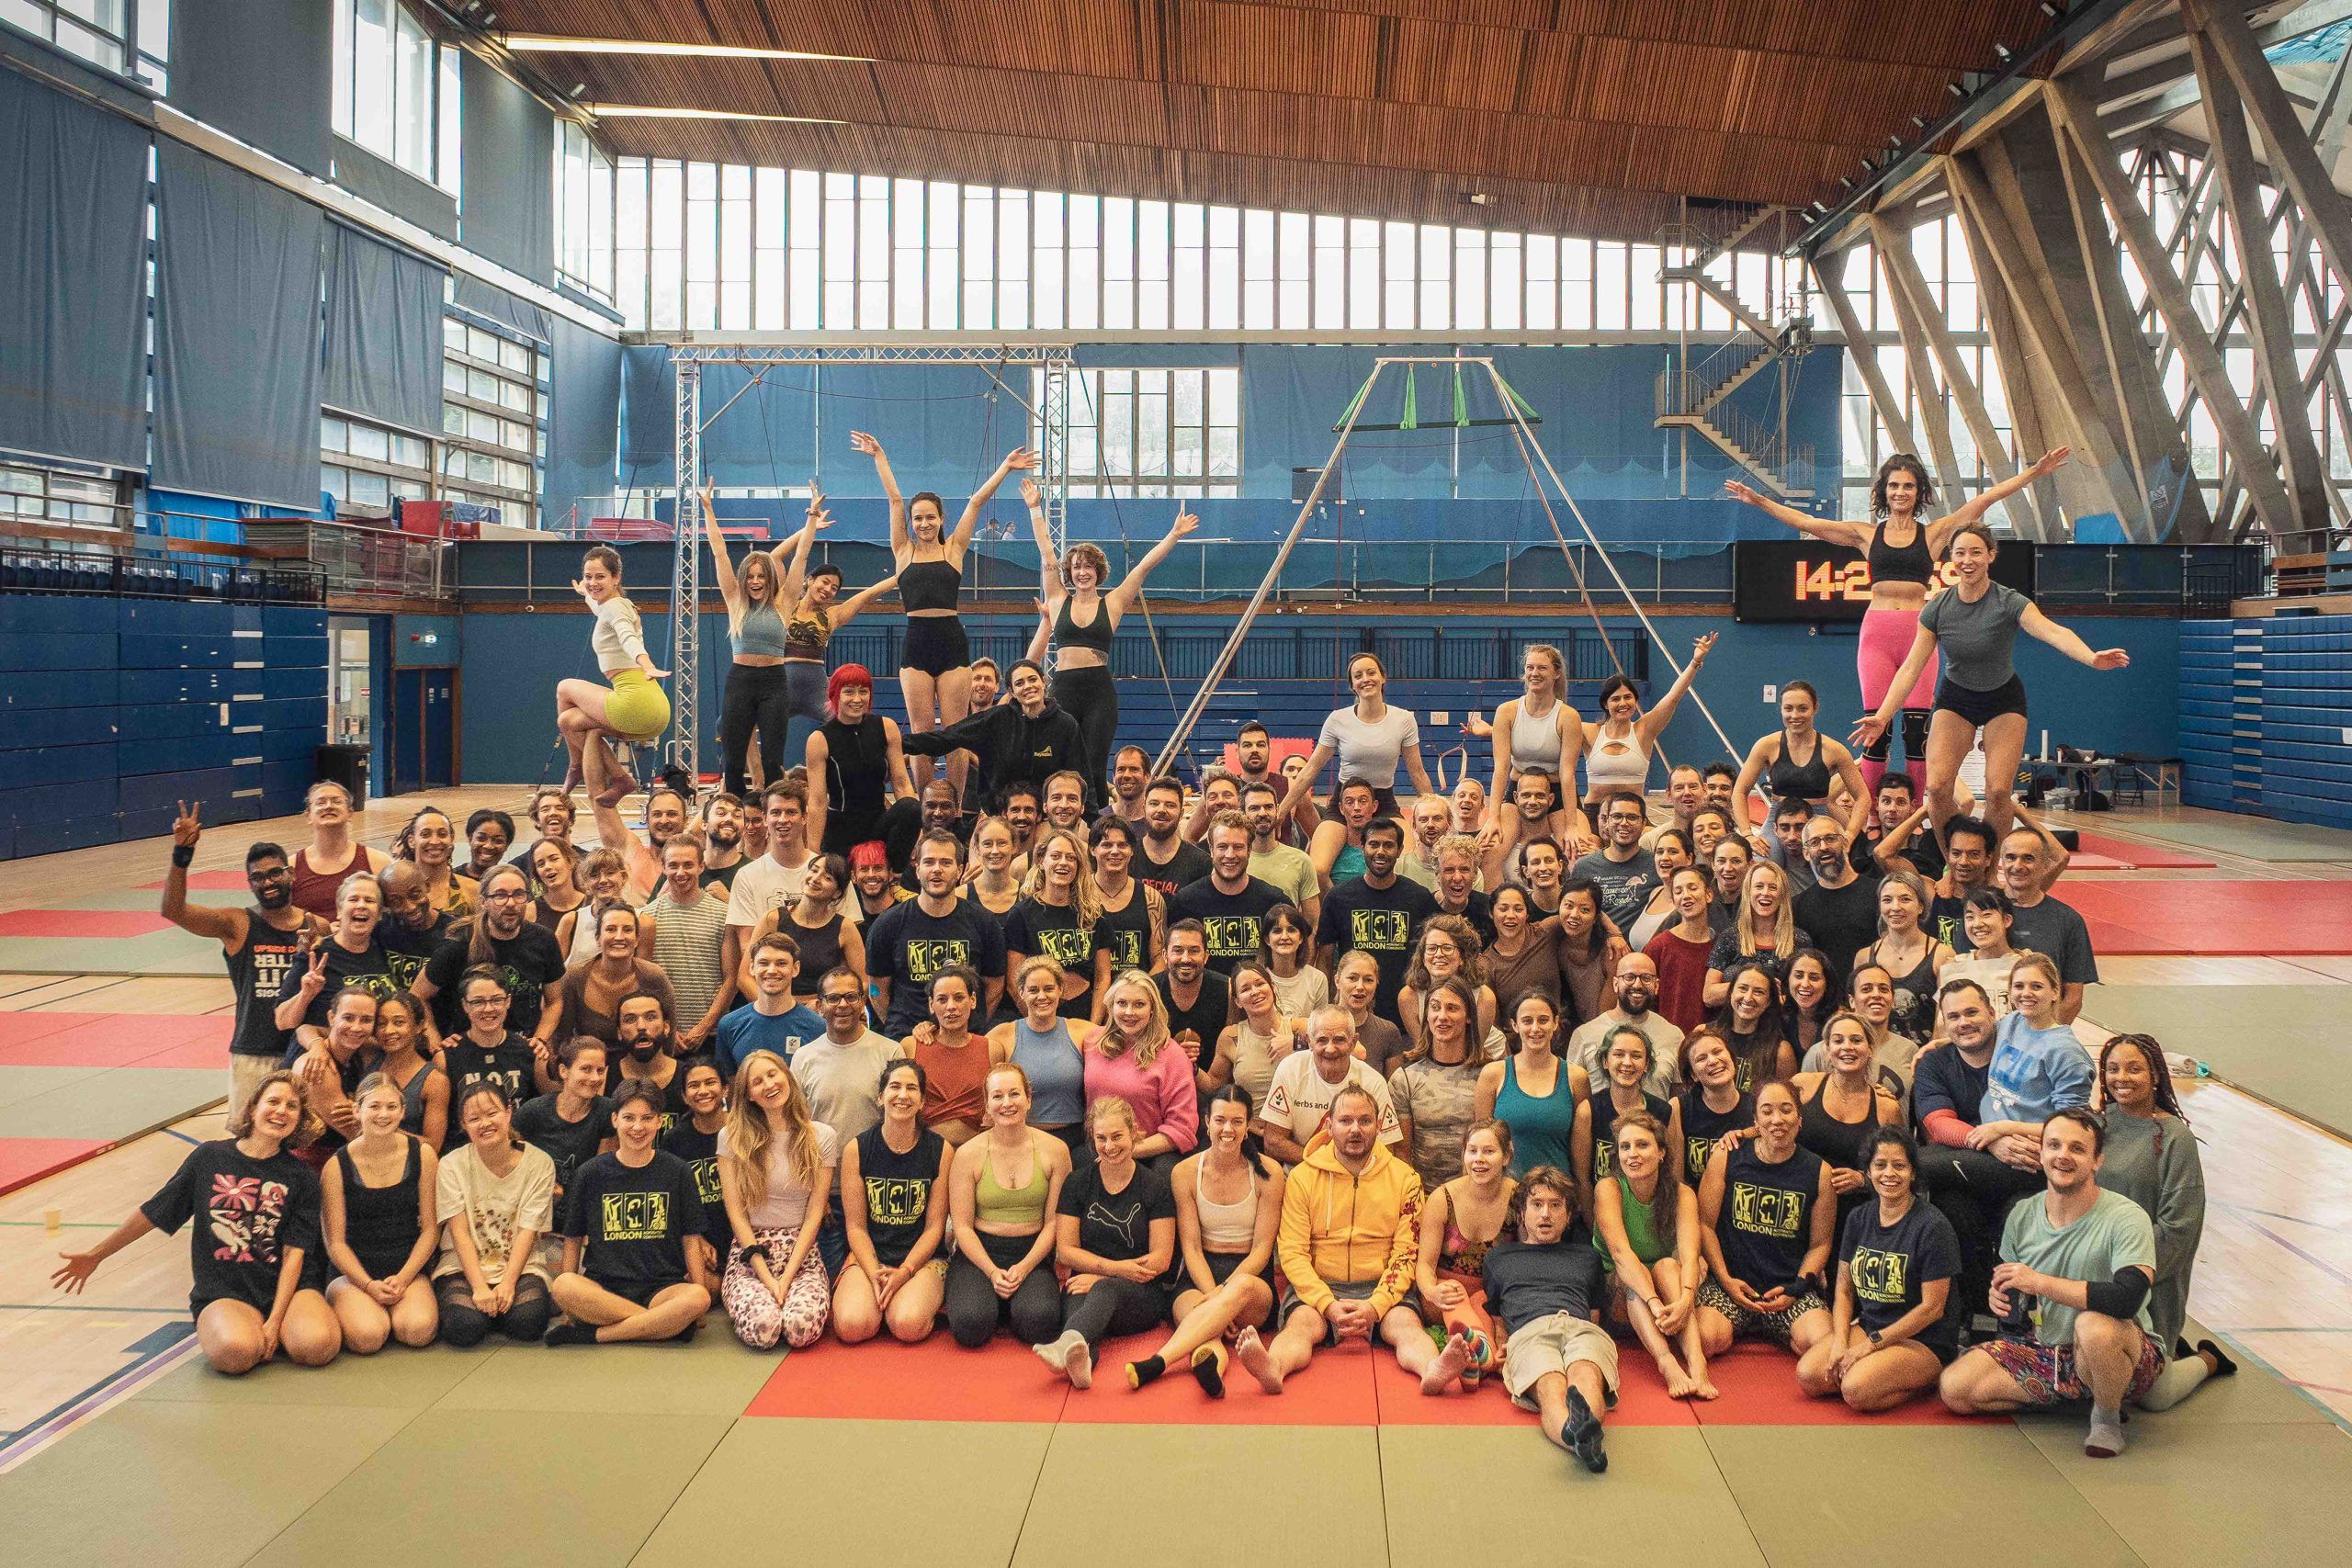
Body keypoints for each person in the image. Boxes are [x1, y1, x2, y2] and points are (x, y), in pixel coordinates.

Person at [1731, 452, 2061, 794]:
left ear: (1919, 493)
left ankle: (1914, 812)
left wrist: (2034, 473)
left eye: (1908, 486)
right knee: (1877, 732)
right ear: (1883, 491)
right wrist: (1758, 500)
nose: (1900, 492)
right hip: (1877, 635)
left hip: (1918, 635)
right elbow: (1806, 523)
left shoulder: (1934, 534)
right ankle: (1872, 815)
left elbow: (1985, 498)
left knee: (1917, 731)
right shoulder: (1866, 535)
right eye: (1893, 486)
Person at [1853, 516, 2128, 843]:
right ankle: (1951, 863)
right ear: (1950, 558)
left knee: (1997, 791)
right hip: (1956, 699)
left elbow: (2052, 631)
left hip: (2003, 700)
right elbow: (1911, 668)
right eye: (1960, 553)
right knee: (1938, 788)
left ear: (1991, 555)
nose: (1967, 561)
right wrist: (1882, 716)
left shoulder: (2009, 602)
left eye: (1976, 553)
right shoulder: (1937, 608)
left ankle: (1990, 867)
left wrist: (2091, 657)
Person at [52, 1071, 340, 1373]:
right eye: (273, 1102)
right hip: (227, 1289)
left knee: (316, 1347)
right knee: (236, 1354)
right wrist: (98, 1254)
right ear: (253, 1107)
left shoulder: (302, 1176)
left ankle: (283, 1329)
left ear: (299, 1119)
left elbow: (295, 1253)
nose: (281, 1111)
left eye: (292, 1106)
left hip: (288, 1289)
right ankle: (244, 1327)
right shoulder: (210, 1158)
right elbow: (155, 1211)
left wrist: (275, 1321)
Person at [1938, 1109, 2164, 1457]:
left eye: (2077, 1149)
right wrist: (1998, 1295)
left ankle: (2105, 1418)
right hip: (2045, 1348)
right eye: (2054, 1145)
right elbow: (2010, 1281)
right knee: (1955, 1389)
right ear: (2040, 1153)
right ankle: (2070, 1393)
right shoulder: (2023, 1214)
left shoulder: (2127, 1217)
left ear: (2097, 1160)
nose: (2063, 1156)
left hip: (2118, 1347)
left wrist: (2040, 1283)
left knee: (2093, 1327)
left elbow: (2126, 1300)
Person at [1232, 1084, 1441, 1393]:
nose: (1355, 1130)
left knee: (1406, 1327)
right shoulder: (1302, 1178)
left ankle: (1432, 1370)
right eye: (1345, 1121)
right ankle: (1273, 1368)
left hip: (1382, 1283)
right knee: (1301, 1326)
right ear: (1329, 1126)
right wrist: (1326, 1303)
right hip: (1319, 1285)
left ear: (1379, 1125)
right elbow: (1292, 1252)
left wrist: (1377, 1305)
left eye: (1365, 1121)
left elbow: (1406, 1254)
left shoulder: (1406, 1179)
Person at [855, 431, 1031, 794]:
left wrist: (1005, 467)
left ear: (940, 518)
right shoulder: (903, 551)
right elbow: (893, 499)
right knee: (921, 732)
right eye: (917, 518)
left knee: (956, 731)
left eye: (930, 517)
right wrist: (879, 457)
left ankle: (951, 805)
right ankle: (927, 805)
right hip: (916, 643)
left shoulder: (954, 550)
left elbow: (978, 502)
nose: (923, 524)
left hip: (951, 642)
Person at [1027, 490, 1196, 807]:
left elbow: (1143, 567)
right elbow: (1047, 554)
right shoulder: (1058, 598)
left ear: (1098, 571)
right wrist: (1035, 509)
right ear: (1070, 572)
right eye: (1076, 567)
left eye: (1088, 567)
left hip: (1098, 692)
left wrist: (1174, 534)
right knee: (1062, 761)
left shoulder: (1114, 602)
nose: (1082, 572)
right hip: (1064, 687)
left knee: (1093, 760)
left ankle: (1094, 822)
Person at [161, 804, 328, 1118]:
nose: (267, 882)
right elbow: (173, 910)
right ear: (249, 883)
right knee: (248, 1137)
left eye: (275, 873)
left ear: (290, 874)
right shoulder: (238, 924)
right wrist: (182, 853)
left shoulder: (317, 926)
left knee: (306, 1140)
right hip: (254, 1053)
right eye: (258, 877)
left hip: (306, 1051)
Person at [2095, 1032, 2233, 1409]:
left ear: (2156, 1075)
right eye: (2112, 1069)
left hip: (2147, 1278)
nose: (2121, 1077)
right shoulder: (2097, 1125)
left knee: (2152, 1399)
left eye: (2134, 1069)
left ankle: (2206, 1360)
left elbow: (2179, 1231)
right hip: (2089, 1273)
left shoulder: (2176, 1140)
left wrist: (2124, 1273)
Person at [1125, 1085, 1285, 1393]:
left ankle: (1158, 1362)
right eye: (1220, 1120)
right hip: (1200, 1276)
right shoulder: (1184, 1172)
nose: (1228, 1129)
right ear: (1206, 1121)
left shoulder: (1270, 1173)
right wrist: (1215, 1297)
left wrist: (1223, 1296)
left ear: (1248, 1125)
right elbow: (1192, 1248)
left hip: (1251, 1281)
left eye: (1237, 1122)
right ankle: (1210, 1367)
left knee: (1226, 1299)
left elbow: (1263, 1249)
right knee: (1203, 1330)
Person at [1794, 1124, 1962, 1411]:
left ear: (1912, 1173)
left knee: (1855, 1390)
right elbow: (1844, 1290)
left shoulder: (1933, 1226)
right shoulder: (1859, 1218)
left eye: (1899, 1166)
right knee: (1809, 1376)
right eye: (1880, 1165)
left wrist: (1870, 1346)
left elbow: (1933, 1308)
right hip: (1872, 1325)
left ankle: (1922, 1379)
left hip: (1922, 1339)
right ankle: (1879, 1373)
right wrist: (1839, 1342)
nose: (1889, 1174)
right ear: (1868, 1172)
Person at [546, 1081, 716, 1346]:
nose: (638, 1127)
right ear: (615, 1120)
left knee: (699, 1297)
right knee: (563, 1285)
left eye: (647, 1118)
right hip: (604, 1288)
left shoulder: (677, 1171)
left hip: (662, 1288)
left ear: (659, 1122)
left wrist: (698, 1292)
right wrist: (570, 1308)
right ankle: (662, 1325)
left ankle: (596, 1335)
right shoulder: (590, 1173)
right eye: (629, 1118)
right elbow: (573, 1238)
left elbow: (691, 1239)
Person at [1476, 1166, 1619, 1471]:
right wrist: (1501, 1342)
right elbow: (1498, 1314)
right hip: (1530, 1332)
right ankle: (1578, 1437)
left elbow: (1593, 1315)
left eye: (1556, 1206)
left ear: (1568, 1215)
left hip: (1580, 1328)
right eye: (1537, 1205)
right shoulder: (1498, 1259)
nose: (1545, 1214)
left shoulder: (1588, 1258)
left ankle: (1581, 1430)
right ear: (1522, 1212)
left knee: (1585, 1375)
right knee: (1550, 1384)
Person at [1033, 1097, 1178, 1388]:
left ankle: (1066, 1345)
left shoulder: (1155, 1186)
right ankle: (1082, 1363)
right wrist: (1112, 1269)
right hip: (1084, 1283)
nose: (1109, 1146)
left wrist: (1103, 1274)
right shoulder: (1077, 1183)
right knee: (1077, 1321)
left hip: (1140, 1294)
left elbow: (1161, 1259)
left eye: (1117, 1136)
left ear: (1134, 1134)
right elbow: (1066, 1250)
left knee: (1105, 1291)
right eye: (1101, 1138)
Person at [1696, 1078, 1836, 1358]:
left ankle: (1779, 1329)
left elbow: (1820, 1244)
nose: (1777, 1120)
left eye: (1786, 1110)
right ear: (1756, 1120)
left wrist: (1795, 1290)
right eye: (1767, 1111)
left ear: (1799, 1119)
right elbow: (1704, 1226)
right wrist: (1725, 1280)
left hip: (1787, 1288)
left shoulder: (1820, 1172)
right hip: (1731, 1285)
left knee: (1822, 1345)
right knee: (1705, 1340)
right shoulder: (1726, 1157)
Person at [944, 1063, 1073, 1348]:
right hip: (979, 1253)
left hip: (1033, 1252)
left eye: (1014, 1094)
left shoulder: (1056, 1151)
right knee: (970, 1327)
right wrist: (991, 1272)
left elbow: (1054, 1222)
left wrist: (1025, 1268)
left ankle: (1012, 1303)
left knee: (1040, 1323)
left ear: (1029, 1099)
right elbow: (962, 1227)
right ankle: (990, 1302)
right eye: (997, 1096)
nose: (1006, 1104)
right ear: (987, 1105)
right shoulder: (967, 1154)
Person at [715, 1050, 837, 1350]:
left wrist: (788, 1276)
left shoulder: (821, 1136)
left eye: (773, 1074)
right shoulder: (730, 1137)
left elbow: (814, 1216)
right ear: (749, 1095)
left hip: (802, 1253)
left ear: (787, 1077)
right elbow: (736, 1214)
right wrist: (768, 1279)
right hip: (750, 1254)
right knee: (764, 1328)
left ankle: (790, 1296)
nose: (768, 1084)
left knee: (799, 1329)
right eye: (757, 1081)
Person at [1593, 1108, 1711, 1399]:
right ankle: (1666, 1362)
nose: (1633, 1154)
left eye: (1642, 1145)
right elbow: (1621, 1255)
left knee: (1668, 1266)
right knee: (1637, 1276)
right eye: (1625, 1147)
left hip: (1665, 1286)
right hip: (1623, 1288)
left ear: (1660, 1152)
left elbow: (1689, 1252)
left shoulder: (1682, 1193)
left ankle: (1698, 1365)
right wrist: (1654, 1302)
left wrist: (1686, 1299)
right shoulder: (1609, 1188)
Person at [430, 1079, 558, 1346]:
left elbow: (528, 1229)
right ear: (464, 1126)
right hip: (463, 1266)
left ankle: (498, 1306)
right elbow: (459, 1232)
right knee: (464, 1329)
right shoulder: (452, 1164)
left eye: (492, 1113)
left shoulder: (539, 1163)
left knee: (528, 1323)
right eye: (474, 1118)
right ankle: (486, 1309)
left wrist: (508, 1283)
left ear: (508, 1112)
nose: (485, 1123)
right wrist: (478, 1287)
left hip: (520, 1266)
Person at [833, 1058, 952, 1344]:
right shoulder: (857, 1149)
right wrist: (874, 1272)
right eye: (894, 1087)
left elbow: (935, 1228)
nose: (902, 1095)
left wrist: (906, 1272)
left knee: (907, 1325)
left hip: (922, 1260)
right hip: (871, 1256)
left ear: (922, 1101)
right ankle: (880, 1302)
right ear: (880, 1096)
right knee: (851, 1326)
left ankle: (909, 1301)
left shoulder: (941, 1150)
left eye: (912, 1088)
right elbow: (856, 1229)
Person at [320, 1073, 440, 1353]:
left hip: (406, 1267)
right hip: (354, 1272)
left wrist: (405, 1277)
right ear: (357, 1110)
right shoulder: (336, 1166)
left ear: (402, 1111)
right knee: (368, 1337)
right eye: (374, 1107)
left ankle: (395, 1306)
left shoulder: (423, 1155)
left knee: (418, 1330)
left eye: (391, 1107)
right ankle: (356, 1305)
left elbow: (431, 1229)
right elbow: (335, 1243)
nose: (383, 1115)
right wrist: (368, 1285)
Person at [556, 545, 670, 807]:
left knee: (564, 688)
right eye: (588, 576)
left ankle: (576, 763)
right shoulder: (613, 605)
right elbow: (600, 610)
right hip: (654, 711)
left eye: (600, 577)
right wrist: (585, 593)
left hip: (634, 703)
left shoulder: (616, 609)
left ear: (617, 577)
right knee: (569, 721)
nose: (593, 582)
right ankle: (619, 778)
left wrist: (646, 663)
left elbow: (627, 636)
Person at [867, 829, 1009, 1035]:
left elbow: (995, 986)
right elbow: (876, 989)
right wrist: (899, 1028)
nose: (937, 870)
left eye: (945, 862)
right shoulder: (887, 924)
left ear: (959, 870)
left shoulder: (984, 922)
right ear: (917, 870)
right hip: (906, 1038)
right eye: (929, 862)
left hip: (964, 1037)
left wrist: (965, 1026)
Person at [1414, 1120, 1519, 1390]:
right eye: (1472, 1151)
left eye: (1489, 1151)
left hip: (1490, 1298)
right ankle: (1482, 1353)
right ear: (1463, 1154)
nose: (1479, 1160)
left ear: (1507, 1155)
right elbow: (1424, 1266)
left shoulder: (1519, 1198)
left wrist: (1499, 1317)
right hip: (1444, 1297)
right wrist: (1431, 1291)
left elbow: (1524, 1263)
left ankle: (1474, 1361)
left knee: (1483, 1299)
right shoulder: (1442, 1198)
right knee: (1455, 1289)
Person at [899, 660, 1088, 808]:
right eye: (1020, 683)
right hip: (1000, 814)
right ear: (1011, 692)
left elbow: (1082, 776)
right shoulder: (996, 720)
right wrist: (895, 742)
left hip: (1045, 816)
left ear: (1043, 682)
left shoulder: (1065, 725)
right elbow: (947, 738)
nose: (1028, 686)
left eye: (1032, 679)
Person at [1276, 651, 1437, 824]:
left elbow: (1418, 773)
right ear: (1353, 685)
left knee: (1406, 848)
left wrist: (1435, 812)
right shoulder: (1337, 719)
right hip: (1344, 799)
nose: (1366, 679)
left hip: (1383, 801)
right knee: (1321, 850)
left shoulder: (1404, 720)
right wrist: (1281, 812)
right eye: (1358, 676)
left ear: (1383, 677)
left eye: (1371, 672)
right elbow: (1310, 770)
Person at [1315, 817, 1441, 1028]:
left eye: (1388, 845)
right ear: (1362, 847)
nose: (1380, 852)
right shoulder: (1338, 897)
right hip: (1353, 1016)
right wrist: (1327, 1006)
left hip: (1406, 1018)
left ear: (1400, 850)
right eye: (1374, 844)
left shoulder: (1419, 898)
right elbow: (1325, 959)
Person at [1792, 1011, 1905, 1234]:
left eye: (1856, 1040)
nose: (1847, 1047)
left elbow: (1903, 1170)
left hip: (1854, 1218)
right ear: (1826, 1049)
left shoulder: (1886, 1107)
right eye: (1838, 1040)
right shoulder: (1802, 1086)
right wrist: (1738, 1135)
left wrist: (1863, 1180)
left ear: (1870, 1048)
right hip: (1798, 1205)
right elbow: (1768, 1128)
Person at [1086, 971, 1201, 1176]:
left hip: (1148, 1154)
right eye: (1121, 1003)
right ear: (1111, 1006)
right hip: (1099, 1146)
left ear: (1152, 1010)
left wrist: (1128, 1150)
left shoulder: (1172, 1055)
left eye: (1139, 1004)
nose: (1129, 1012)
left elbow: (1183, 1128)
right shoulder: (1092, 1041)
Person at [1577, 637, 1715, 807]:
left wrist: (1695, 661)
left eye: (1628, 697)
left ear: (1636, 701)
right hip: (1594, 813)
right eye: (1616, 699)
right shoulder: (1588, 731)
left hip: (1633, 814)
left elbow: (1673, 697)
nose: (1623, 703)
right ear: (1606, 704)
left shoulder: (1644, 729)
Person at [1259, 1006, 1403, 1163]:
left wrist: (1341, 1171)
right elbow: (1273, 1142)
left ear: (1353, 1042)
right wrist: (1322, 1165)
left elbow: (1385, 1150)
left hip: (1356, 1177)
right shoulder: (1290, 1069)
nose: (1330, 1048)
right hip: (1301, 1174)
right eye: (1322, 1040)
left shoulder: (1373, 1082)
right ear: (1309, 1042)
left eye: (1339, 1040)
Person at [1985, 825, 2098, 1021]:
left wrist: (2042, 1035)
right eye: (2011, 858)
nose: (2018, 866)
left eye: (2028, 858)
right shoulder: (1980, 915)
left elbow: (2073, 998)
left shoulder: (2068, 920)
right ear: (2001, 862)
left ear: (2045, 864)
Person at [805, 663, 916, 861]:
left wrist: (917, 837)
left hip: (878, 823)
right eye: (849, 692)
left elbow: (901, 783)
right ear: (835, 695)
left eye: (863, 692)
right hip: (842, 829)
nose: (857, 699)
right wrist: (813, 852)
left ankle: (896, 875)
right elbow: (817, 801)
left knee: (911, 807)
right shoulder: (819, 739)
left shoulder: (887, 727)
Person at [1001, 827, 1111, 1022]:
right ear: (1042, 860)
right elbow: (1013, 982)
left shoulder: (1092, 913)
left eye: (1071, 858)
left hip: (1085, 1013)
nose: (1063, 863)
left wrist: (1093, 1027)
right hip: (1039, 1014)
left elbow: (1103, 978)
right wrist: (1039, 1023)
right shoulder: (1021, 914)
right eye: (1056, 856)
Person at [1983, 952, 2095, 1141]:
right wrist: (1937, 1044)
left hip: (2028, 1148)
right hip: (1994, 1133)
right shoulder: (2012, 1021)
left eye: (2036, 986)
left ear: (2054, 992)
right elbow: (1982, 1038)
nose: (2026, 993)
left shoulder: (2066, 1052)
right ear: (2009, 992)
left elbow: (2070, 1127)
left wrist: (2004, 1128)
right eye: (2019, 986)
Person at [1391, 977, 1492, 1187]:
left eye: (1452, 1008)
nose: (1442, 1017)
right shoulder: (1405, 1080)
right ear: (1426, 1015)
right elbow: (1402, 1154)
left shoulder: (1490, 1076)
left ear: (1468, 1017)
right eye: (1435, 1008)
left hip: (1477, 1193)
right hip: (1423, 1194)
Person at [989, 956, 1096, 1156]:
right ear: (1021, 993)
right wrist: (930, 1029)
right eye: (1033, 990)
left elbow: (1123, 1036)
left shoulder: (1082, 1031)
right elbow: (964, 1048)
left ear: (1060, 990)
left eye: (1048, 988)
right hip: (1021, 1138)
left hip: (1076, 1141)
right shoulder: (1002, 1035)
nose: (1041, 996)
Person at [1573, 1025, 1679, 1218]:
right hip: (1598, 1219)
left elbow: (1672, 1174)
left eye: (1636, 1056)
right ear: (1605, 1061)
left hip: (1649, 1217)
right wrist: (1596, 1226)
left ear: (1647, 1064)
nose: (1627, 1063)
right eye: (1619, 1054)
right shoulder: (1588, 1110)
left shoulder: (1663, 1112)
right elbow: (1581, 1179)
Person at [1484, 643, 1590, 833]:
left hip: (1557, 792)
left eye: (1542, 668)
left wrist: (1571, 824)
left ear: (1556, 673)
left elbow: (1567, 774)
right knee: (1492, 845)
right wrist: (1493, 817)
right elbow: (1500, 769)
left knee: (1578, 849)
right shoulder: (1506, 712)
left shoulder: (1568, 716)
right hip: (1519, 790)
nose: (1535, 673)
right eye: (1530, 667)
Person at [1478, 991, 1587, 1177]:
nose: (1535, 1028)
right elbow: (1479, 1143)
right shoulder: (1493, 1075)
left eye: (1543, 1020)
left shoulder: (1576, 1077)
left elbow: (1581, 1157)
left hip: (1557, 1195)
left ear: (1555, 1023)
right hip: (1507, 1193)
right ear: (1515, 1025)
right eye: (1527, 1021)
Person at [435, 966, 548, 1144]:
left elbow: (548, 1108)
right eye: (478, 1002)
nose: (488, 1009)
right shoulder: (447, 1057)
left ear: (508, 1001)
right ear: (465, 1005)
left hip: (518, 1148)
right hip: (466, 1151)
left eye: (496, 1000)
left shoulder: (530, 1051)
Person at [639, 839, 731, 1055]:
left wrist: (704, 1026)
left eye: (688, 865)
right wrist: (667, 1028)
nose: (681, 872)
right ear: (663, 868)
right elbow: (644, 981)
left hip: (711, 1035)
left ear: (701, 866)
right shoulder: (647, 917)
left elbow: (731, 978)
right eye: (673, 865)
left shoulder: (723, 915)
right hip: (663, 1035)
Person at [277, 873, 393, 1037]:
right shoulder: (315, 953)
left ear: (379, 913)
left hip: (372, 1057)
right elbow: (282, 1021)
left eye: (369, 900)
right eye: (353, 899)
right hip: (323, 1056)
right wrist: (305, 995)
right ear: (339, 909)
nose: (361, 905)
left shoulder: (385, 950)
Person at [553, 903, 677, 1051]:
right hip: (591, 1068)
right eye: (611, 929)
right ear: (598, 938)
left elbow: (669, 1034)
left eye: (627, 930)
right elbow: (561, 1037)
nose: (619, 937)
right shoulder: (574, 976)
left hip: (640, 1067)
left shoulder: (653, 975)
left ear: (637, 939)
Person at [724, 780, 815, 977]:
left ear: (805, 817)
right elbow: (748, 949)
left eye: (791, 812)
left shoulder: (826, 871)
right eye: (775, 813)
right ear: (765, 818)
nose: (783, 820)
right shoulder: (747, 876)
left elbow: (846, 941)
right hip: (767, 985)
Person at [1853, 867, 1951, 1044]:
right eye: (1887, 900)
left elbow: (1945, 1019)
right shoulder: (1864, 956)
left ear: (1921, 906)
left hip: (1926, 1055)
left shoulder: (1942, 955)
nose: (1895, 907)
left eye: (1905, 899)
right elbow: (1860, 1017)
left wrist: (1928, 1060)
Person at [1565, 953, 1682, 1099]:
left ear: (1656, 985)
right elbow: (1572, 1094)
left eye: (1646, 978)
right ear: (1615, 984)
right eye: (1629, 977)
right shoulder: (1584, 1035)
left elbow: (1678, 1098)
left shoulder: (1674, 1036)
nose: (1638, 985)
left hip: (1656, 1121)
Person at [513, 1037, 616, 1200]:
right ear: (563, 1071)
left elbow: (601, 1174)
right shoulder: (534, 1111)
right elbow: (511, 1161)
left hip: (583, 1203)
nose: (595, 1078)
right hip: (535, 1203)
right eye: (586, 1069)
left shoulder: (607, 1111)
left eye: (600, 1071)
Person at [714, 931, 825, 1077]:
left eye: (781, 963)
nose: (772, 970)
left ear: (795, 968)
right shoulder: (729, 1024)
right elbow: (729, 1086)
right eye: (764, 963)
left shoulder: (818, 1027)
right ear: (752, 967)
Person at [1704, 860, 1808, 1010]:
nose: (1765, 893)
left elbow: (1805, 995)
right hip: (1737, 1024)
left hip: (1780, 1025)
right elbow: (1709, 995)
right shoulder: (1731, 937)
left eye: (1773, 887)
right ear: (1748, 891)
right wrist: (1760, 985)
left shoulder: (1799, 940)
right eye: (1759, 886)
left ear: (1783, 894)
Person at [1792, 818, 1879, 998]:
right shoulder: (1798, 906)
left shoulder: (1878, 894)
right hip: (1823, 1005)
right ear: (1806, 853)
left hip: (1870, 1000)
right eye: (1815, 842)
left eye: (1830, 838)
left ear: (1846, 844)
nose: (1823, 847)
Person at [1203, 961, 1305, 1108]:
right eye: (1245, 989)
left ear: (1273, 988)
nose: (1255, 992)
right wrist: (1190, 1064)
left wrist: (1296, 1043)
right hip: (1251, 1127)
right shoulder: (1230, 1036)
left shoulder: (1299, 1027)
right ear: (1238, 1001)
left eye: (1260, 984)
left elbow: (1344, 1050)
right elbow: (1213, 1085)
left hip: (1295, 1127)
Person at [662, 1056, 733, 1271]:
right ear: (684, 1096)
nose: (703, 1091)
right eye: (694, 1086)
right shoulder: (674, 1140)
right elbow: (673, 1201)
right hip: (700, 1242)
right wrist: (698, 1239)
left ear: (725, 1089)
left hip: (744, 1237)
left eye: (710, 1082)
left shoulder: (743, 1130)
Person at [910, 966, 991, 1145]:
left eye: (959, 998)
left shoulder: (992, 1048)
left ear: (973, 1000)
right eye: (942, 999)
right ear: (931, 1005)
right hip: (924, 1154)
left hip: (975, 1155)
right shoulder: (910, 1046)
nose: (951, 1007)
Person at [1396, 916, 1499, 1056]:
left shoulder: (1484, 997)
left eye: (1447, 948)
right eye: (1431, 948)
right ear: (1423, 957)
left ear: (1463, 957)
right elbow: (1423, 1049)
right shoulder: (1408, 996)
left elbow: (1475, 1051)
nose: (1438, 954)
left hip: (1482, 1057)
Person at [288, 779, 389, 919]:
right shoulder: (291, 867)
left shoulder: (378, 862)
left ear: (350, 813)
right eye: (320, 802)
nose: (328, 806)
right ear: (308, 816)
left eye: (336, 801)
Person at [1153, 919, 1232, 1083]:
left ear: (1206, 956)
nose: (1186, 959)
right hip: (1159, 1081)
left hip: (1214, 1087)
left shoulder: (1227, 989)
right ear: (1164, 955)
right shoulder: (1149, 991)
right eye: (1178, 950)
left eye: (1194, 951)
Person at [1573, 791, 1660, 936]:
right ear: (1606, 821)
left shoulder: (1657, 865)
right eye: (1617, 816)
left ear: (1644, 823)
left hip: (1639, 954)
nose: (1624, 823)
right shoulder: (1584, 867)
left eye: (1632, 817)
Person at [1644, 866, 1717, 1033]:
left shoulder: (1721, 946)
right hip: (1667, 1044)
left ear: (1708, 895)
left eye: (1692, 888)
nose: (1686, 896)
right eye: (1678, 891)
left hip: (1711, 1046)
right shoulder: (1658, 947)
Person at [1677, 1026, 1755, 1186]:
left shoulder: (1758, 1106)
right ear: (1693, 1075)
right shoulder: (1679, 1108)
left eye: (1717, 1052)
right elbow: (1676, 1180)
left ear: (1732, 1059)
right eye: (1701, 1058)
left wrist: (1748, 1133)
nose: (1712, 1061)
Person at [1089, 818, 1165, 976]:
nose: (1115, 851)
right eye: (1107, 845)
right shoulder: (1079, 893)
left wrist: (1140, 990)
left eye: (1122, 845)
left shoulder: (1150, 897)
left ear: (1131, 851)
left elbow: (1160, 959)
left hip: (1138, 995)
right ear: (1092, 850)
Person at [1712, 961, 1798, 1092]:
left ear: (1769, 1001)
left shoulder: (1781, 1052)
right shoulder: (1705, 1034)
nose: (1748, 997)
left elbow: (1787, 1100)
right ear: (1731, 994)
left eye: (1758, 992)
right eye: (1743, 988)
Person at [1241, 782, 1320, 925]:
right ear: (1242, 813)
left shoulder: (1301, 860)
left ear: (1277, 810)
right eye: (1254, 808)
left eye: (1269, 807)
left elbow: (1312, 925)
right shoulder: (1233, 861)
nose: (1263, 813)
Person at [1938, 887, 2019, 1015]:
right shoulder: (1954, 967)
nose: (1977, 924)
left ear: (2007, 920)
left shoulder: (2027, 965)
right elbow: (1941, 1026)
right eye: (1970, 917)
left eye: (1986, 915)